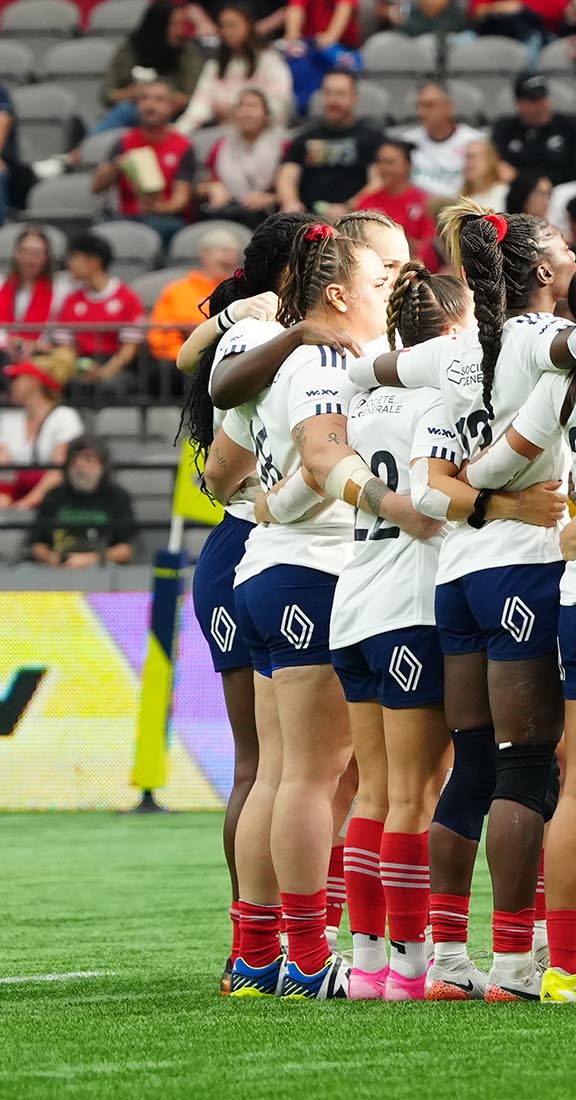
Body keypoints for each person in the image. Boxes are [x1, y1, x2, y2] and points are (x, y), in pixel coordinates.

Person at [349, 201, 576, 1001]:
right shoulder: (540, 346)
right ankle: (526, 962)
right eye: (561, 252)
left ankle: (446, 958)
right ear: (545, 274)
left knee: (476, 765)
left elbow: (373, 387)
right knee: (535, 769)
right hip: (533, 570)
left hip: (457, 577)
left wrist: (482, 499)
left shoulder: (450, 354)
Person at [231, 221, 436, 999]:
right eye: (380, 281)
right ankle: (312, 957)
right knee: (317, 779)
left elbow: (236, 463)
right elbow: (322, 459)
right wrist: (386, 502)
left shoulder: (288, 356)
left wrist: (270, 509)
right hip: (313, 575)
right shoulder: (323, 357)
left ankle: (260, 954)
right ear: (338, 293)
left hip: (269, 573)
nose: (392, 290)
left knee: (284, 775)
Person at [171, 211, 327, 996]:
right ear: (296, 269)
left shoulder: (289, 330)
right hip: (252, 543)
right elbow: (217, 469)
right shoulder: (257, 330)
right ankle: (255, 941)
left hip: (259, 548)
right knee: (266, 763)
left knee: (293, 766)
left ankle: (268, 944)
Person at [93, 81, 197, 246]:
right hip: (126, 217)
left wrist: (158, 207)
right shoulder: (123, 142)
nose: (150, 105)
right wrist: (116, 168)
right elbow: (97, 187)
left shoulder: (182, 146)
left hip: (165, 218)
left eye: (158, 99)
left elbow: (181, 198)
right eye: (144, 99)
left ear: (171, 106)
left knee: (164, 227)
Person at [276, 71, 385, 218]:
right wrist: (291, 202)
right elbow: (287, 175)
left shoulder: (372, 139)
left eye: (341, 94)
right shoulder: (304, 137)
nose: (333, 101)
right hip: (307, 218)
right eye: (328, 93)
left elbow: (378, 181)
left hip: (356, 217)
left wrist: (349, 207)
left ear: (354, 98)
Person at [175, 4, 294, 134]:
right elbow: (199, 107)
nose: (226, 31)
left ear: (248, 25)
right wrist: (176, 134)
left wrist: (238, 113)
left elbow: (280, 104)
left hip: (264, 134)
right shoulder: (214, 66)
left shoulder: (270, 61)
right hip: (223, 134)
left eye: (232, 25)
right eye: (222, 26)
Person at [51, 237, 147, 396]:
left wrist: (105, 372)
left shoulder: (127, 298)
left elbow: (130, 347)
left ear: (94, 262)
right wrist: (83, 367)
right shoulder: (71, 300)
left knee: (110, 387)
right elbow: (66, 346)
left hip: (116, 366)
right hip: (82, 363)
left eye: (74, 257)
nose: (69, 264)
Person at [94, 1, 204, 136]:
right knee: (125, 110)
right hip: (135, 109)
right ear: (158, 26)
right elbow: (106, 93)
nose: (180, 31)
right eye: (174, 24)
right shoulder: (131, 49)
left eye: (182, 24)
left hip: (176, 114)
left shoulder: (188, 52)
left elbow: (194, 95)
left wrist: (167, 98)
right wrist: (132, 93)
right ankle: (85, 151)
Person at [28, 439, 136, 567]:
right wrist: (50, 557)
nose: (79, 465)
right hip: (57, 571)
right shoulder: (54, 496)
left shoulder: (117, 497)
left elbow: (126, 550)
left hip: (102, 571)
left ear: (102, 465)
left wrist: (92, 559)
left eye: (88, 459)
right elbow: (36, 545)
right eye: (74, 459)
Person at [0, 361, 85, 511]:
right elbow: (3, 466)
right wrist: (5, 500)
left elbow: (59, 471)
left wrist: (26, 503)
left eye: (16, 379)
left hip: (53, 498)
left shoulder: (65, 416)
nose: (10, 385)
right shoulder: (8, 419)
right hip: (13, 492)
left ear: (34, 381)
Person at [148, 227, 240, 365]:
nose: (228, 258)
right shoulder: (178, 291)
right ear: (205, 254)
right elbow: (160, 333)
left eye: (233, 253)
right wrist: (186, 356)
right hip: (179, 363)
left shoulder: (242, 292)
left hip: (228, 361)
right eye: (223, 251)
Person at [491, 76, 576, 197]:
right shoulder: (505, 129)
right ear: (519, 103)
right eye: (533, 101)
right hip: (517, 197)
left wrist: (519, 175)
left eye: (543, 98)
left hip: (564, 193)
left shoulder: (572, 126)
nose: (541, 105)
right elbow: (497, 164)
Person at [200, 90, 287, 225]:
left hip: (269, 216)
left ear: (267, 115)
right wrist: (211, 188)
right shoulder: (221, 146)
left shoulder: (283, 148)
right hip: (227, 211)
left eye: (252, 106)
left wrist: (270, 198)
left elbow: (296, 192)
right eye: (241, 106)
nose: (246, 112)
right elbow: (200, 186)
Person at [352, 141, 440, 268]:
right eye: (380, 162)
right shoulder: (367, 201)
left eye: (390, 162)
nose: (384, 168)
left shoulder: (424, 202)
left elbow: (428, 251)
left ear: (408, 166)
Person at [393, 83, 486, 200]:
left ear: (449, 107)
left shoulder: (475, 141)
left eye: (429, 105)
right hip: (417, 212)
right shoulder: (406, 142)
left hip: (461, 209)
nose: (421, 113)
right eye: (418, 106)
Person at [0, 227, 63, 363]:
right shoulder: (1, 285)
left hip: (39, 357)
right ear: (16, 253)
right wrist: (9, 341)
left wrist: (34, 345)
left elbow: (59, 337)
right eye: (25, 252)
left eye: (36, 254)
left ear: (46, 257)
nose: (29, 259)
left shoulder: (60, 290)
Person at [459, 139, 511, 211]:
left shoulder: (505, 192)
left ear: (489, 160)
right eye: (466, 158)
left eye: (473, 157)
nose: (468, 164)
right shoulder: (462, 195)